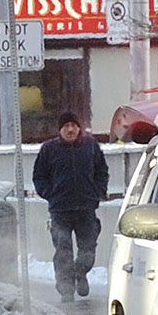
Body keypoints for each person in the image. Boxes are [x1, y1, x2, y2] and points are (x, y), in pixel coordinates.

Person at [32, 111, 109, 303]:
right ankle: (66, 288)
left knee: (88, 250)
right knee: (63, 249)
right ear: (60, 129)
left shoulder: (90, 146)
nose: (70, 129)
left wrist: (98, 191)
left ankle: (80, 272)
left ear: (79, 128)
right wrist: (49, 193)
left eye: (74, 125)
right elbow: (39, 176)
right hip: (60, 210)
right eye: (66, 126)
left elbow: (102, 170)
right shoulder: (49, 150)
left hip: (86, 208)